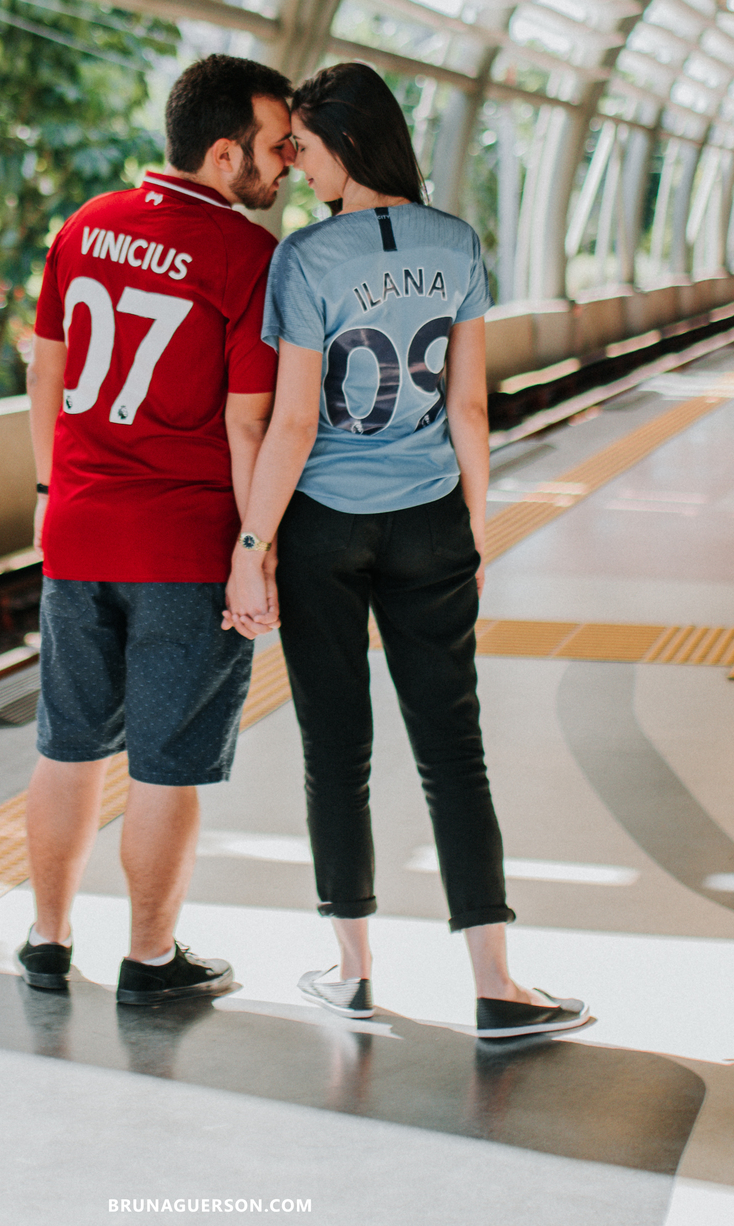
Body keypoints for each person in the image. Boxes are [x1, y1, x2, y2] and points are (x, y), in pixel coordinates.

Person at [224, 62, 589, 1040]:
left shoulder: (305, 259)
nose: (296, 165)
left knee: (335, 749)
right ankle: (496, 984)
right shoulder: (456, 243)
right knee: (453, 750)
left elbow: (294, 423)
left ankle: (351, 974)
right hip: (430, 517)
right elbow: (469, 406)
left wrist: (252, 545)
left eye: (304, 147)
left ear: (347, 145)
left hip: (324, 525)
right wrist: (475, 522)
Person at [19, 53, 292, 1005]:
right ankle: (148, 959)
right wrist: (256, 552)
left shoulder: (86, 224)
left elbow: (45, 371)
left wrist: (49, 488)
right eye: (275, 147)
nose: (287, 164)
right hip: (182, 546)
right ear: (223, 154)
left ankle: (47, 940)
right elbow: (248, 425)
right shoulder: (247, 257)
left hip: (79, 530)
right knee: (166, 765)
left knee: (67, 747)